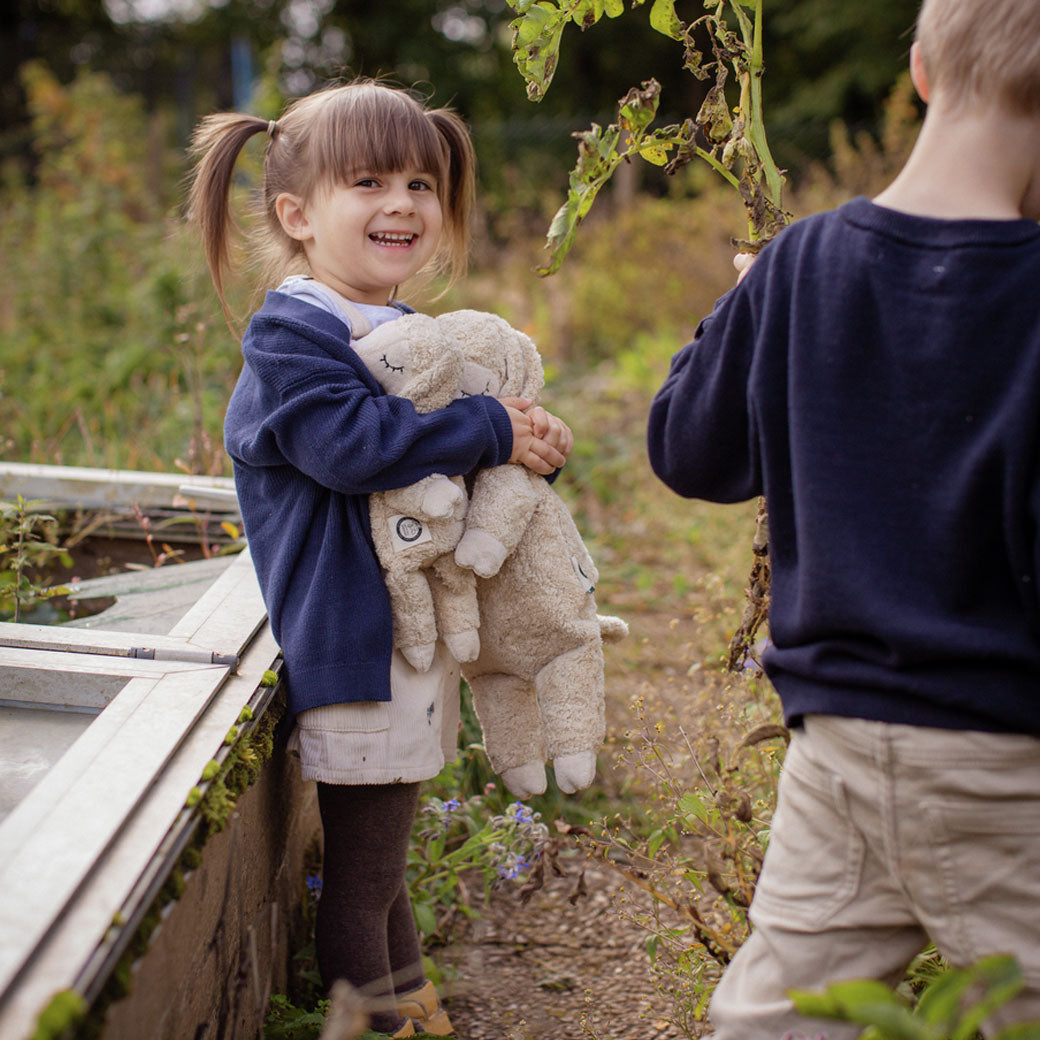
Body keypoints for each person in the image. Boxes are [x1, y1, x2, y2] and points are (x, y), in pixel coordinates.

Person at [646, 0, 1040, 1035]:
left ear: (917, 70)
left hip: (838, 746)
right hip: (1004, 762)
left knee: (778, 1017)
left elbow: (687, 450)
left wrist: (747, 310)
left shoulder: (798, 264)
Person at [187, 79, 572, 1038]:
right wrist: (485, 425)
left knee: (384, 861)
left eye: (421, 183)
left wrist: (521, 441)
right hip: (352, 639)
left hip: (400, 637)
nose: (401, 202)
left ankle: (408, 998)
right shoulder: (293, 336)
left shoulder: (395, 331)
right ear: (297, 215)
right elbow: (354, 447)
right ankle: (373, 1020)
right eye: (368, 181)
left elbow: (441, 448)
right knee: (362, 880)